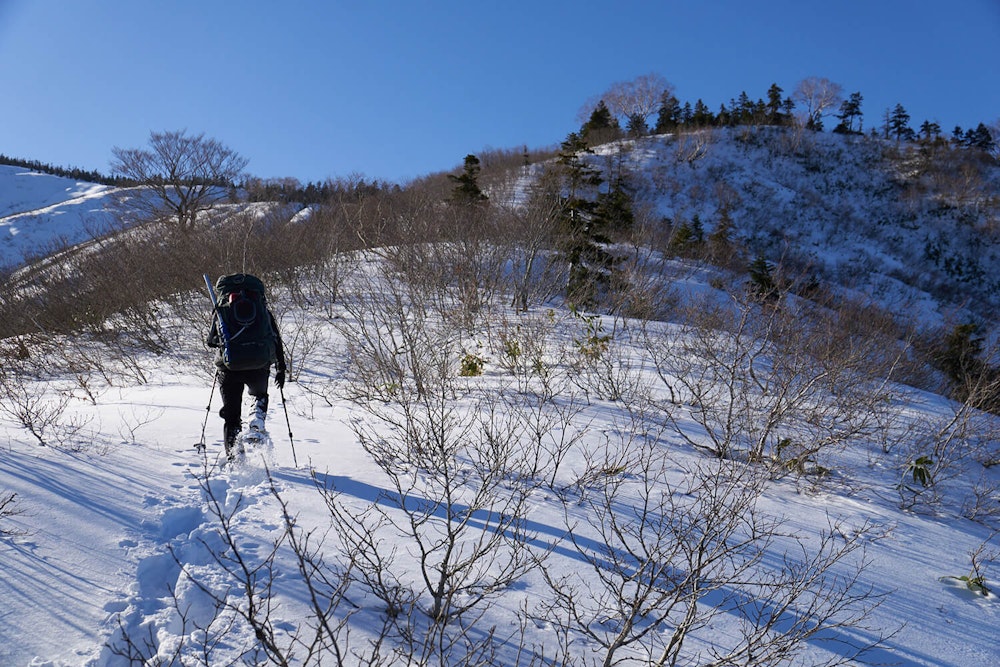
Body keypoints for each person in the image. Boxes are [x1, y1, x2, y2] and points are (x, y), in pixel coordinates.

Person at [206, 275, 287, 459]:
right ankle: (256, 419)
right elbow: (275, 339)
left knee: (232, 417)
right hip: (259, 366)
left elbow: (211, 341)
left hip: (228, 369)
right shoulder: (262, 311)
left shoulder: (221, 311)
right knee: (258, 396)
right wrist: (281, 367)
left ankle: (235, 457)